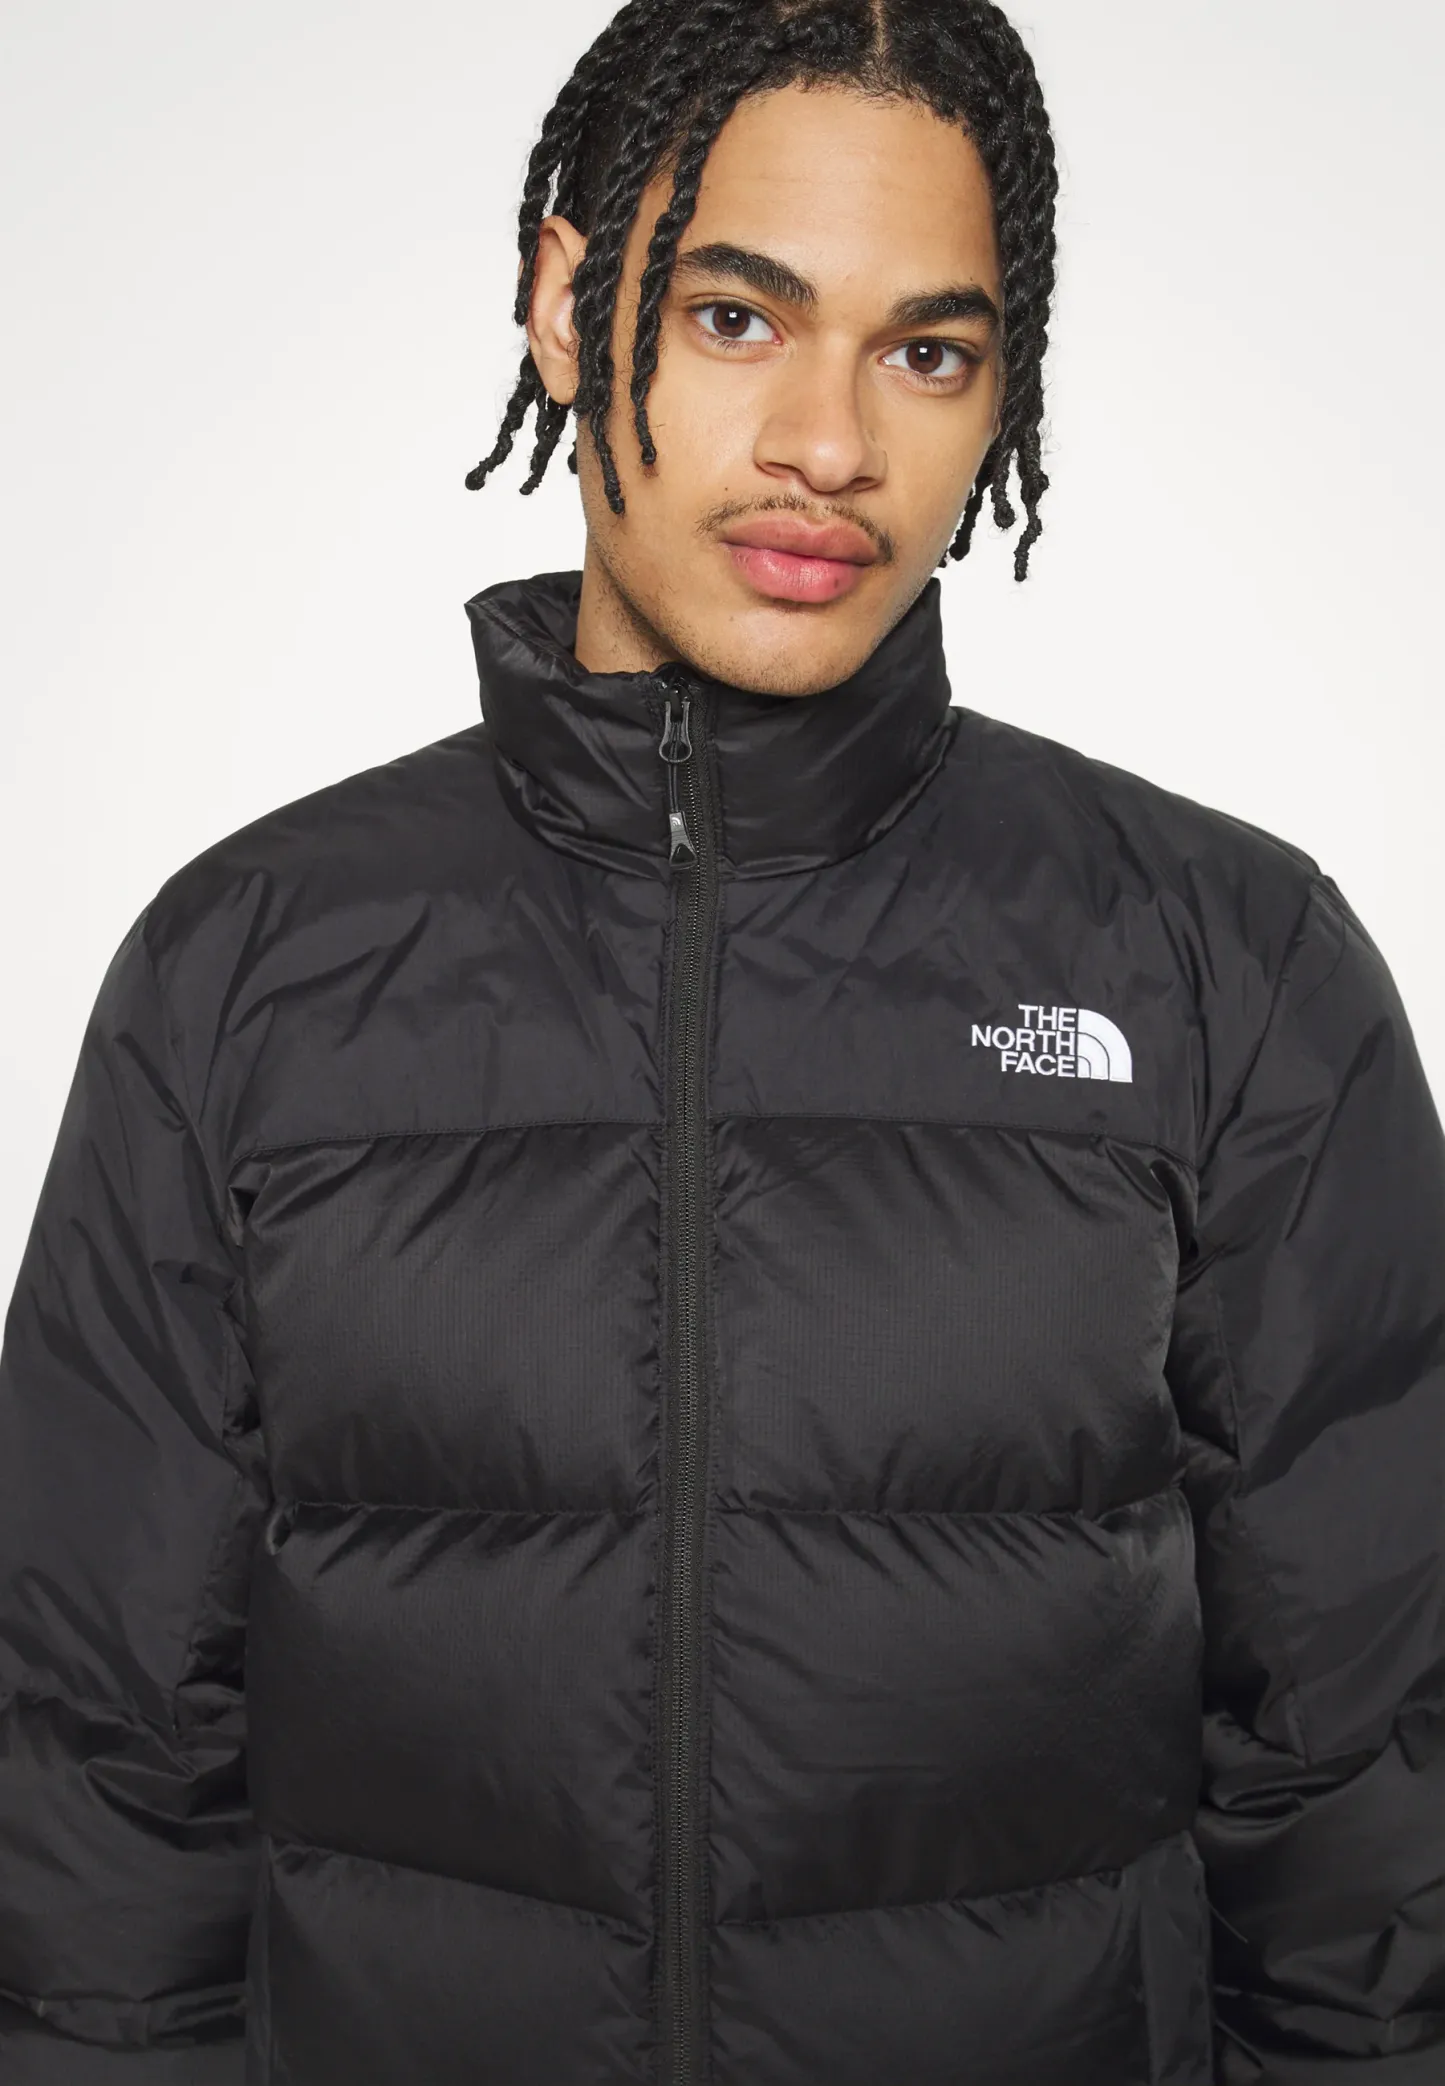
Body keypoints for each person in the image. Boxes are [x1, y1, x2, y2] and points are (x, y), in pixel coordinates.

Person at [1, 0, 1441, 2079]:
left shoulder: (1226, 961)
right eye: (737, 317)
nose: (829, 446)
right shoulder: (247, 966)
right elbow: (92, 1793)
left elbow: (1373, 1801)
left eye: (925, 353)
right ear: (564, 305)